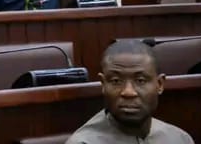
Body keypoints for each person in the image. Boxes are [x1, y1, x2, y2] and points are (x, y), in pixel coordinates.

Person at [66, 40, 194, 143]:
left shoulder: (179, 138)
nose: (128, 92)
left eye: (140, 80)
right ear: (103, 84)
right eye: (116, 81)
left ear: (159, 84)